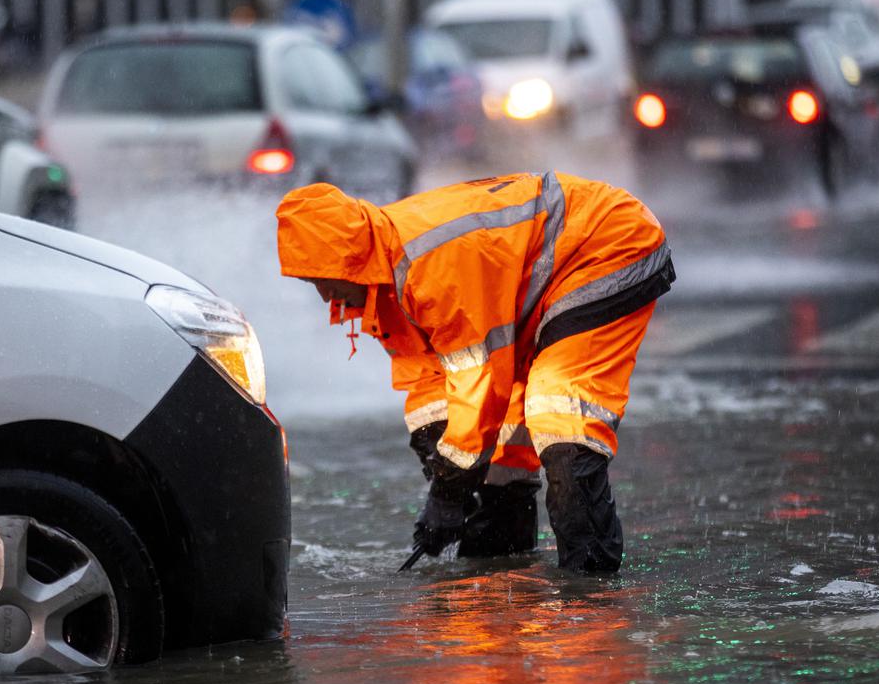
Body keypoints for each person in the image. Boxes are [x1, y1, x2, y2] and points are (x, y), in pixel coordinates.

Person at [276, 172, 674, 573]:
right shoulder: (385, 277)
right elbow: (430, 378)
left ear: (349, 260)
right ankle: (502, 565)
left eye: (324, 279)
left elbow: (479, 384)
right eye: (312, 282)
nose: (325, 296)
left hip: (605, 245)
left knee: (561, 416)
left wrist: (449, 493)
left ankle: (589, 587)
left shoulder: (428, 268)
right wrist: (441, 464)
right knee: (500, 454)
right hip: (545, 277)